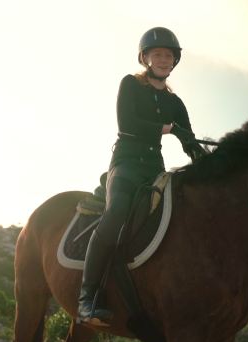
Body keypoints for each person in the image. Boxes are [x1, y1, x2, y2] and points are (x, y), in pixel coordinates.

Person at [78, 27, 206, 325]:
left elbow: (190, 142)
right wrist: (167, 129)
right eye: (157, 54)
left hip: (153, 169)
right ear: (145, 58)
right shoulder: (130, 85)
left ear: (175, 61)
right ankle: (87, 298)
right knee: (116, 214)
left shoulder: (176, 103)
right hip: (124, 165)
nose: (163, 59)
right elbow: (127, 123)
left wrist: (210, 157)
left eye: (168, 55)